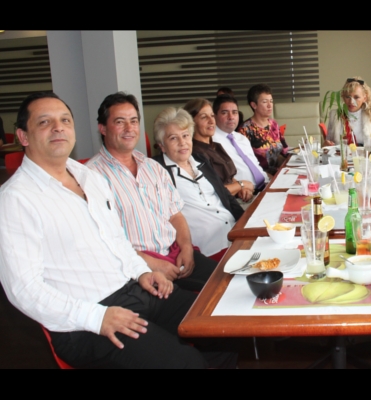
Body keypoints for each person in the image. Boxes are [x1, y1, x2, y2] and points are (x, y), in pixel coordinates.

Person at [0, 92, 234, 368]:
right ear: (23, 136)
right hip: (87, 317)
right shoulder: (15, 199)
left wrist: (142, 271)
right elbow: (24, 288)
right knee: (185, 362)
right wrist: (95, 317)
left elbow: (114, 239)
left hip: (133, 288)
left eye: (65, 120)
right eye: (44, 122)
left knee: (221, 326)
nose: (58, 128)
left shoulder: (87, 177)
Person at [87, 92, 216, 292]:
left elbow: (175, 215)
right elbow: (101, 241)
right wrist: (152, 264)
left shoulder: (152, 167)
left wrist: (186, 247)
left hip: (176, 254)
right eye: (120, 122)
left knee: (230, 285)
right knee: (202, 306)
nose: (129, 128)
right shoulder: (91, 176)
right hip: (138, 271)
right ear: (102, 128)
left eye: (133, 121)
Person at [152, 107, 244, 261]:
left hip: (235, 234)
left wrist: (246, 224)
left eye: (185, 135)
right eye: (173, 138)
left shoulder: (200, 160)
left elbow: (225, 196)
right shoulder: (157, 171)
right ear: (162, 145)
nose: (182, 143)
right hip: (208, 248)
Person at [184, 98, 253, 202]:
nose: (211, 121)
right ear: (192, 122)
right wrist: (242, 184)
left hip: (236, 200)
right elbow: (214, 191)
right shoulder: (196, 153)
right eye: (204, 117)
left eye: (212, 116)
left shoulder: (216, 146)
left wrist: (242, 189)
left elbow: (229, 178)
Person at [211, 94, 269, 207]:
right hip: (246, 195)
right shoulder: (212, 142)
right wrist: (239, 188)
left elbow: (256, 166)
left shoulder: (241, 138)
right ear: (215, 116)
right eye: (224, 112)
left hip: (265, 187)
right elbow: (220, 177)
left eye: (234, 112)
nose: (231, 117)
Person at [238, 84, 288, 176]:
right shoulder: (245, 130)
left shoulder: (273, 124)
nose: (270, 105)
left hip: (280, 174)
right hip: (262, 178)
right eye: (265, 102)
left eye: (271, 101)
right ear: (254, 105)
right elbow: (245, 164)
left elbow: (284, 150)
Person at [325, 77, 371, 147]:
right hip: (343, 154)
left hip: (367, 153)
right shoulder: (335, 115)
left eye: (356, 97)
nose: (351, 102)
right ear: (343, 97)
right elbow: (328, 143)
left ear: (364, 98)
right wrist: (326, 144)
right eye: (348, 97)